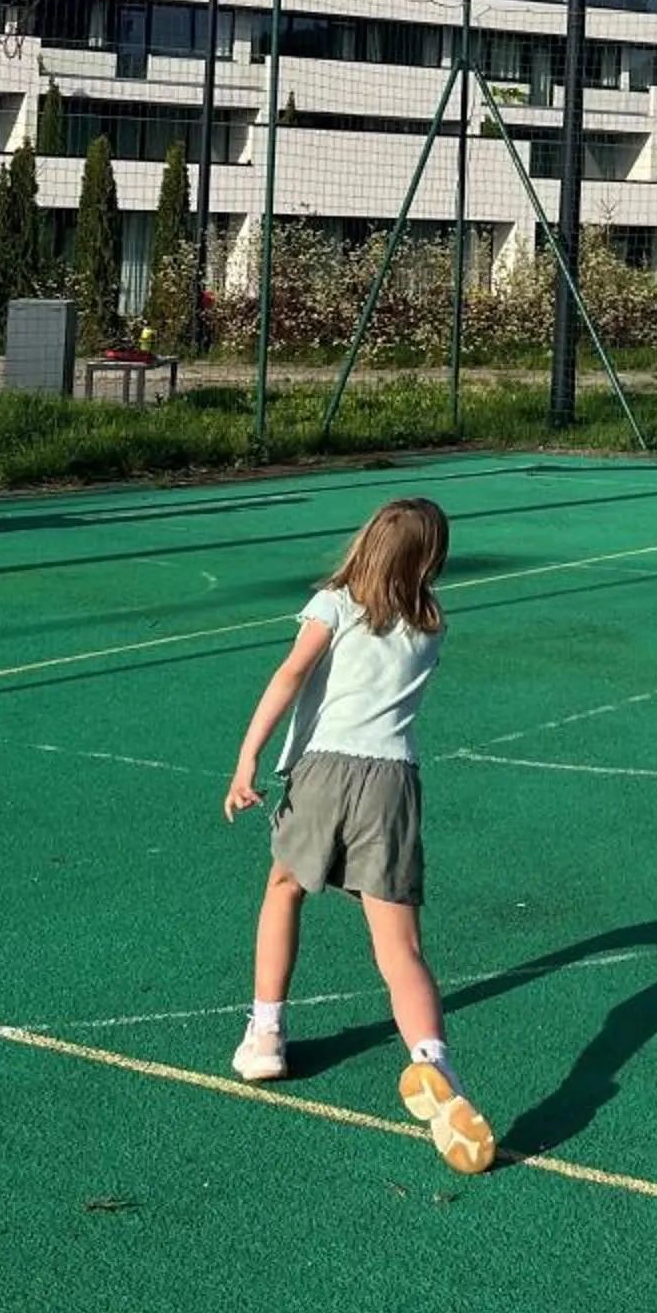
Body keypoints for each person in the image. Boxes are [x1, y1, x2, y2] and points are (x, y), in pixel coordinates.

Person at [223, 494, 493, 1174]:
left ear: (368, 541)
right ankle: (435, 1064)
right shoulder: (431, 625)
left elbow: (291, 674)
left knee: (284, 889)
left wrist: (248, 756)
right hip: (393, 782)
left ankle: (266, 1033)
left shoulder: (334, 604)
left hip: (325, 770)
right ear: (430, 561)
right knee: (401, 947)